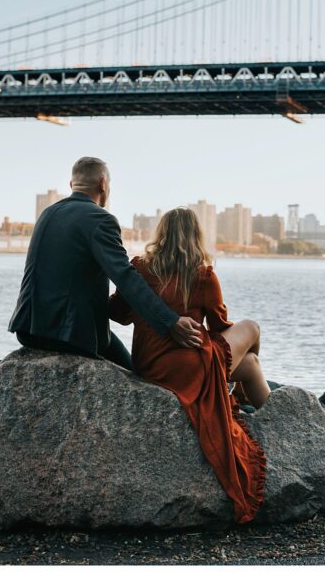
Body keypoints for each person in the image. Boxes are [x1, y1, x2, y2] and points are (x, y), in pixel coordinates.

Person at [108, 207, 268, 523]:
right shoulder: (203, 274)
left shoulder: (139, 268)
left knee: (249, 364)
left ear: (161, 235)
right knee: (251, 329)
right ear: (196, 236)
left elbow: (118, 313)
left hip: (149, 365)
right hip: (190, 366)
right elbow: (221, 325)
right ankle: (262, 409)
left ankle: (244, 396)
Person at [8, 157, 202, 368]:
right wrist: (170, 322)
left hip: (27, 331)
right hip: (68, 338)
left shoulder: (47, 214)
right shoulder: (100, 219)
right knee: (135, 373)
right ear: (103, 184)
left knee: (113, 346)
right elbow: (126, 278)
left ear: (72, 185)